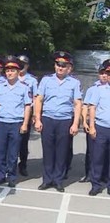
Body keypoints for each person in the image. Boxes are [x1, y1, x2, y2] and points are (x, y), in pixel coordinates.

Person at [34, 51, 82, 192]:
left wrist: (75, 123)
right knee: (48, 150)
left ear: (68, 67)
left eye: (63, 65)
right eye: (58, 64)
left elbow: (77, 104)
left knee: (62, 152)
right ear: (54, 66)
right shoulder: (46, 80)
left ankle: (58, 180)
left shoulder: (74, 83)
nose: (60, 67)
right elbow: (39, 100)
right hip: (48, 119)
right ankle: (47, 180)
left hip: (65, 120)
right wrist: (37, 119)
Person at [0, 56, 32, 187]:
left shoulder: (24, 88)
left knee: (13, 153)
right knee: (1, 151)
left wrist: (25, 123)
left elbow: (27, 106)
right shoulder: (0, 86)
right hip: (2, 122)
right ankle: (1, 176)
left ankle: (12, 176)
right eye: (7, 70)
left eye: (12, 70)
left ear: (18, 72)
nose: (9, 73)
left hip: (16, 123)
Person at [80, 63, 109, 183]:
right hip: (96, 123)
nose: (104, 76)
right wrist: (86, 123)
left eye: (106, 73)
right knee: (93, 153)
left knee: (105, 154)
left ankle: (104, 176)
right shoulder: (94, 89)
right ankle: (90, 175)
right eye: (101, 73)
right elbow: (86, 106)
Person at [88, 59, 110, 196]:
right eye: (108, 73)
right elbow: (92, 108)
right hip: (101, 127)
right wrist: (91, 126)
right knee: (98, 158)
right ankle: (96, 184)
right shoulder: (99, 90)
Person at [17, 55, 38, 176]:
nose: (20, 67)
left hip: (26, 114)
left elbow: (35, 98)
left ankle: (23, 165)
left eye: (23, 65)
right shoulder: (9, 77)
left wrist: (34, 114)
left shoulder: (32, 80)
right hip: (12, 113)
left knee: (23, 142)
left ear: (27, 66)